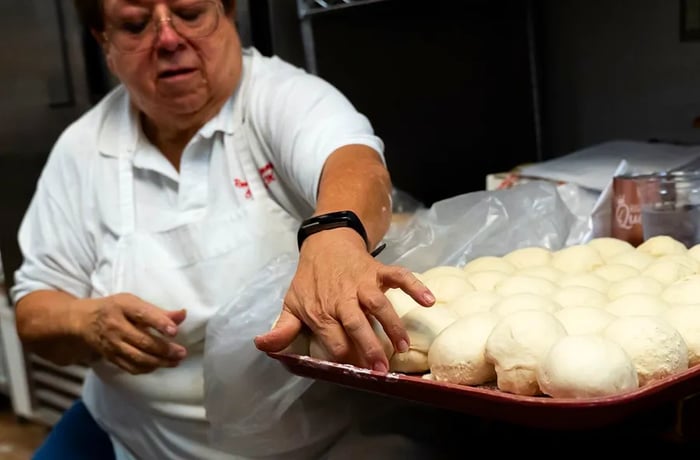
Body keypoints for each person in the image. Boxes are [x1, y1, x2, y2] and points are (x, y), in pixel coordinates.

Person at [10, 0, 437, 458]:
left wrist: (335, 237)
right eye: (135, 26)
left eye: (191, 13)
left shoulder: (279, 98)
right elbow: (35, 309)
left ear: (229, 13)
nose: (169, 39)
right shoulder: (82, 151)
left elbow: (354, 162)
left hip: (322, 442)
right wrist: (84, 322)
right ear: (104, 40)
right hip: (139, 439)